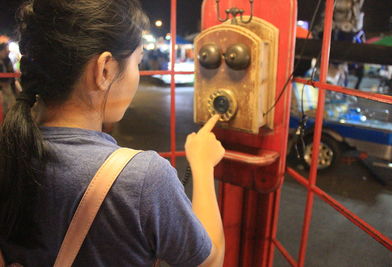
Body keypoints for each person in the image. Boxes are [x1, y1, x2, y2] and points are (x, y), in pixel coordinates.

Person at [0, 0, 225, 266]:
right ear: (105, 70)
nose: (137, 74)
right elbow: (208, 261)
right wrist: (202, 166)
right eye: (137, 62)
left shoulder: (10, 152)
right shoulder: (143, 178)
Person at [0, 36, 21, 114]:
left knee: (12, 107)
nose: (8, 51)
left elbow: (12, 73)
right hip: (2, 89)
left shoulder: (8, 60)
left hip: (10, 86)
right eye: (6, 49)